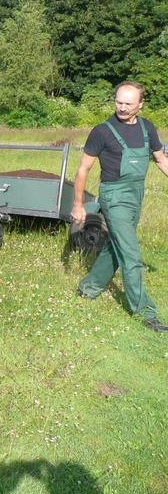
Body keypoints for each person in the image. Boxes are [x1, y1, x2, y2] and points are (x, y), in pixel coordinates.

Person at [72, 81, 168, 332]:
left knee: (117, 246)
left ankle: (88, 288)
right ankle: (146, 312)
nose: (122, 108)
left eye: (128, 103)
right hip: (114, 196)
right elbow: (83, 169)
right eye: (119, 102)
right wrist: (78, 205)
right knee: (131, 254)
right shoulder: (102, 131)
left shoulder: (147, 128)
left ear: (140, 104)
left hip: (136, 194)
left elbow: (161, 160)